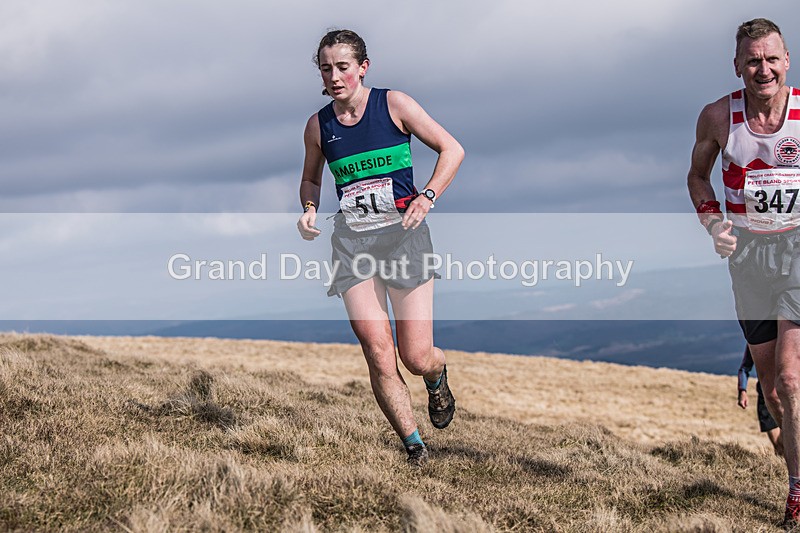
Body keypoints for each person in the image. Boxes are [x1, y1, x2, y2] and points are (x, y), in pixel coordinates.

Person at [296, 29, 464, 466]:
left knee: (415, 355)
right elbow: (311, 177)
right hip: (353, 244)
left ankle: (436, 373)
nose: (334, 76)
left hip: (405, 239)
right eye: (326, 68)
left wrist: (427, 198)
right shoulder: (319, 126)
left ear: (362, 67)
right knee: (376, 347)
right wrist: (310, 207)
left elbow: (452, 150)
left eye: (343, 67)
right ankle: (414, 447)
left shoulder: (395, 105)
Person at [687, 17, 800, 523]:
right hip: (749, 259)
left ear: (787, 62)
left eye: (772, 58)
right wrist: (714, 224)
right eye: (753, 60)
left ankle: (797, 490)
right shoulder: (717, 117)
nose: (763, 69)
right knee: (772, 389)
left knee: (792, 379)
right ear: (737, 66)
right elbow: (697, 176)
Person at [737, 346, 784, 457]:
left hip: (788, 397)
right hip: (766, 398)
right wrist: (742, 391)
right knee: (778, 444)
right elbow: (744, 368)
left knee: (789, 442)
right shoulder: (758, 337)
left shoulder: (789, 336)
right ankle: (781, 471)